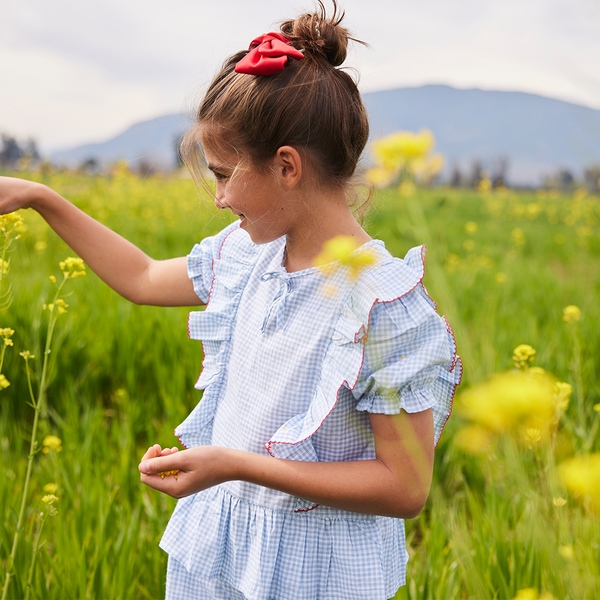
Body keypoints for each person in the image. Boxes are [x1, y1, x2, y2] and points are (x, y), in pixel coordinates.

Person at [0, 2, 462, 598]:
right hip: (219, 556)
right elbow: (140, 278)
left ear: (287, 166)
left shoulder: (382, 307)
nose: (218, 199)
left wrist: (235, 464)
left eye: (222, 174)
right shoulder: (247, 255)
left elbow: (406, 488)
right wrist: (42, 198)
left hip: (314, 574)